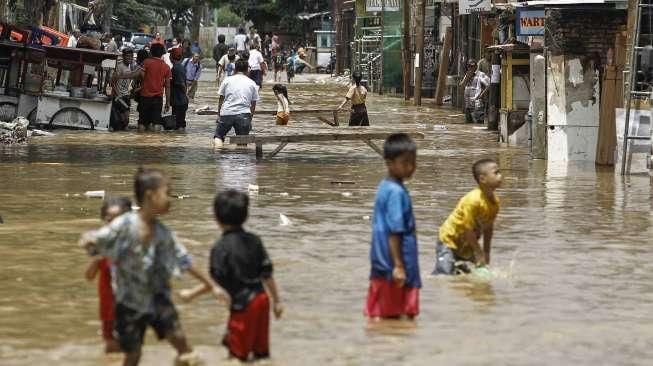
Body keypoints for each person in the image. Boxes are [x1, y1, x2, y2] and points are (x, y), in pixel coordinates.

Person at [79, 167, 227, 366]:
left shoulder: (163, 233)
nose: (170, 198)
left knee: (181, 343)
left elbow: (184, 260)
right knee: (133, 355)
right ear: (150, 196)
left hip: (158, 299)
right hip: (129, 303)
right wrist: (89, 241)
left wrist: (212, 285)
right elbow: (98, 240)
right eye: (167, 193)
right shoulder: (124, 225)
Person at [211, 190, 283, 361]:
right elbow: (267, 274)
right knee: (261, 354)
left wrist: (192, 293)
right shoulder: (255, 240)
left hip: (243, 305)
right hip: (262, 300)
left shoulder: (220, 247)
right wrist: (277, 301)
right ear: (246, 215)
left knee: (237, 356)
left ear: (216, 218)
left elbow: (215, 279)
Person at [365, 133, 420, 320]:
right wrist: (398, 265)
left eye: (413, 162)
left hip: (381, 260)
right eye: (405, 162)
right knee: (397, 316)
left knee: (383, 317)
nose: (411, 167)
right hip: (396, 261)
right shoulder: (396, 192)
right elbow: (395, 231)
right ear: (389, 163)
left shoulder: (385, 186)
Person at [433, 159, 502, 275]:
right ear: (482, 179)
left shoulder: (495, 202)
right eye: (496, 173)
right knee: (444, 274)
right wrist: (479, 253)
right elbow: (467, 230)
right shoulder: (473, 200)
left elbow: (488, 229)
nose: (500, 176)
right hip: (449, 240)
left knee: (474, 272)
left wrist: (486, 253)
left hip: (467, 244)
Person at [84, 196, 132, 353]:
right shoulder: (101, 247)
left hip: (130, 306)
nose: (113, 225)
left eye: (118, 220)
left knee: (130, 348)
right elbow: (89, 276)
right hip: (108, 308)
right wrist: (97, 258)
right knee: (111, 347)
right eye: (109, 220)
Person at [114, 43, 171, 131]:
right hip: (158, 99)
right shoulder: (166, 67)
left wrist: (118, 76)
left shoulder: (146, 62)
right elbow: (167, 87)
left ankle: (140, 141)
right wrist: (167, 102)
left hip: (145, 98)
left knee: (142, 123)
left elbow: (134, 74)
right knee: (156, 124)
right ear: (162, 54)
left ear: (151, 52)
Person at [213, 59, 258, 149]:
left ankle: (218, 153)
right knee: (242, 141)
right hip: (244, 114)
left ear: (235, 69)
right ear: (246, 70)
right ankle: (240, 161)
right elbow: (253, 104)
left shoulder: (227, 80)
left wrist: (219, 114)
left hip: (227, 113)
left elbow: (221, 99)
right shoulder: (252, 83)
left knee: (218, 137)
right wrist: (250, 118)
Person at [110, 48, 136, 131]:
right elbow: (112, 81)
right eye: (127, 57)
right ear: (123, 57)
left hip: (126, 96)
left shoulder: (131, 66)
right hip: (119, 97)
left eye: (131, 57)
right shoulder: (119, 67)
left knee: (125, 121)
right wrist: (116, 95)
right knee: (123, 121)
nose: (129, 59)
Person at [459, 58, 490, 124]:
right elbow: (461, 86)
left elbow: (489, 84)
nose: (470, 68)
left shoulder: (480, 74)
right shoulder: (467, 74)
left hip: (477, 104)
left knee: (478, 124)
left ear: (476, 66)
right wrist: (466, 78)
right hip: (468, 104)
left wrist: (481, 95)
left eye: (472, 66)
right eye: (469, 66)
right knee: (468, 125)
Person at [170, 48, 189, 131]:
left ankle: (179, 139)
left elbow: (181, 84)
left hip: (179, 101)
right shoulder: (179, 67)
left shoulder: (176, 68)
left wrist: (186, 96)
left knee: (179, 125)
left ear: (171, 57)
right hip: (179, 100)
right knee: (178, 124)